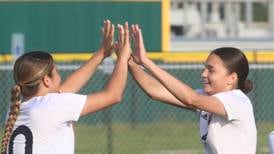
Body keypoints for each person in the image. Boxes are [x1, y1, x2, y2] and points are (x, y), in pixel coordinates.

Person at [1, 20, 131, 154]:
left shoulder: (17, 107)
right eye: (56, 72)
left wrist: (102, 53)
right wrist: (122, 58)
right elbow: (113, 95)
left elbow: (62, 92)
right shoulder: (54, 106)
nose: (59, 76)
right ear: (46, 80)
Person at [128, 24, 257, 154]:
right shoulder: (208, 98)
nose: (204, 74)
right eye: (205, 68)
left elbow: (191, 99)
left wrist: (146, 62)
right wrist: (129, 61)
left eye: (211, 70)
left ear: (231, 78)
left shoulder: (237, 101)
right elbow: (154, 90)